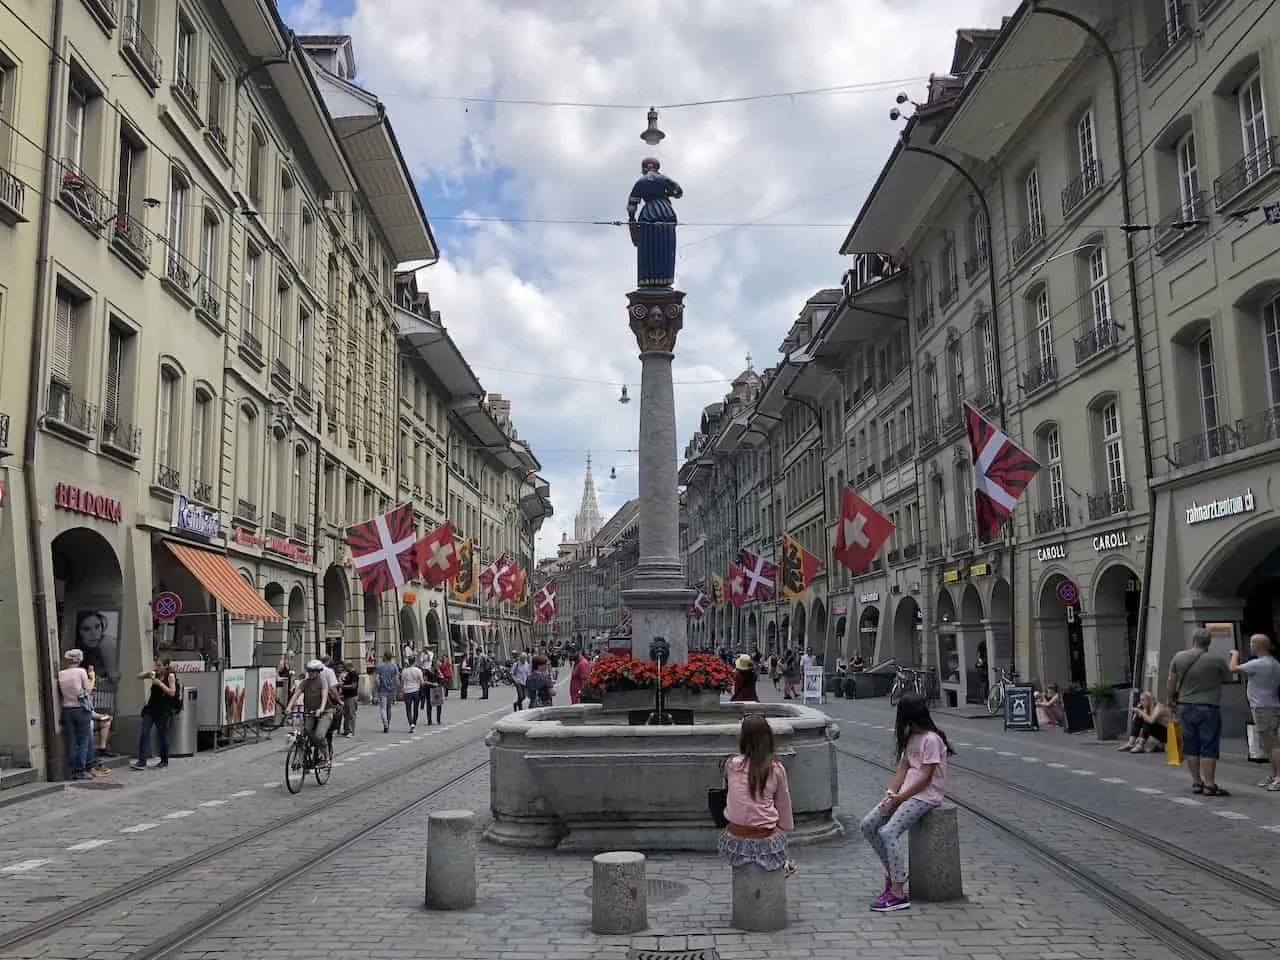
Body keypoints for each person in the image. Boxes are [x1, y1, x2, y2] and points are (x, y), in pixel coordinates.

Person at [859, 692, 954, 912]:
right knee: (868, 825)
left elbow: (925, 777)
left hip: (925, 795)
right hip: (905, 793)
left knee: (888, 832)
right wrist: (890, 795)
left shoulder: (931, 739)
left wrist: (900, 798)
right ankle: (895, 875)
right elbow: (902, 770)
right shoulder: (911, 737)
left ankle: (898, 892)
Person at [717, 715, 796, 879]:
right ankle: (784, 864)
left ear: (743, 739)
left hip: (734, 834)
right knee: (778, 838)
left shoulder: (732, 765)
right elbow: (783, 803)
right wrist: (785, 829)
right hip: (764, 834)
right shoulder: (775, 768)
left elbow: (728, 790)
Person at [1166, 628, 1232, 797]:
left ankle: (1196, 782)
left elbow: (1171, 681)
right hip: (1208, 707)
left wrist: (1170, 700)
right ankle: (1209, 785)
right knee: (1208, 745)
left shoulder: (1179, 657)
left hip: (1185, 706)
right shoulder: (1215, 660)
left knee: (1191, 745)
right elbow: (1228, 678)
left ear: (1193, 640)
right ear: (1209, 643)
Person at [1230, 633, 1280, 791]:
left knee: (1272, 744)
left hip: (1262, 707)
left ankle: (1278, 777)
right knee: (1268, 744)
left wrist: (1235, 655)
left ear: (1258, 646)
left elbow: (1233, 668)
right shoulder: (1274, 663)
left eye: (1251, 644)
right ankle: (1273, 775)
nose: (1250, 647)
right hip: (1271, 704)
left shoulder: (1258, 664)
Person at [626, 156, 683, 288]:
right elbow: (679, 192)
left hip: (649, 213)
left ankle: (649, 278)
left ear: (643, 168)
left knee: (648, 247)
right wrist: (666, 194)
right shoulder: (664, 179)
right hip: (666, 212)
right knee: (666, 246)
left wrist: (631, 220)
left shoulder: (641, 182)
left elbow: (632, 205)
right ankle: (665, 278)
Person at [130, 658, 178, 771]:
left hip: (163, 709)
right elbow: (139, 676)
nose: (157, 667)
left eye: (160, 665)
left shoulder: (170, 676)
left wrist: (160, 683)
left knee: (163, 734)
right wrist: (147, 673)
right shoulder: (155, 673)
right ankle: (142, 760)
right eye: (156, 665)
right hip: (151, 708)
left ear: (166, 666)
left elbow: (172, 692)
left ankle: (164, 760)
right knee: (144, 732)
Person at [57, 648, 93, 781]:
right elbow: (87, 690)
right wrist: (92, 677)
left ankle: (71, 769)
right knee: (83, 740)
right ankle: (80, 770)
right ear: (79, 659)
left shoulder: (61, 674)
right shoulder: (81, 672)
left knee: (71, 739)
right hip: (81, 708)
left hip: (67, 709)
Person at [285, 661, 331, 752]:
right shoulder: (305, 682)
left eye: (312, 671)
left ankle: (326, 756)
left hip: (324, 712)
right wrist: (289, 707)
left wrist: (321, 709)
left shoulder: (322, 681)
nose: (310, 673)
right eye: (309, 671)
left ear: (318, 672)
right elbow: (296, 694)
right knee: (305, 731)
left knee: (319, 735)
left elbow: (324, 696)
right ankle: (303, 758)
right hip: (309, 712)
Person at [374, 652, 399, 733]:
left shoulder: (380, 667)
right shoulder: (394, 666)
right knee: (389, 708)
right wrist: (398, 689)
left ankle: (385, 724)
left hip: (382, 690)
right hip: (391, 689)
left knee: (383, 708)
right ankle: (388, 723)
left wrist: (375, 690)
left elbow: (377, 680)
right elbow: (396, 679)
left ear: (385, 657)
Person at [400, 655, 423, 732]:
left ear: (408, 661)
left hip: (407, 691)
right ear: (414, 661)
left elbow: (402, 683)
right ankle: (414, 723)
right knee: (416, 708)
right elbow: (422, 682)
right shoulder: (418, 670)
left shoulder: (404, 671)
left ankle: (411, 724)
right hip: (416, 691)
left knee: (408, 709)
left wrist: (401, 691)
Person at [339, 661, 359, 737]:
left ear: (348, 666)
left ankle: (351, 731)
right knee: (346, 714)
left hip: (352, 696)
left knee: (351, 714)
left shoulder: (354, 674)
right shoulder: (349, 674)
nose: (344, 668)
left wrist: (343, 686)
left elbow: (353, 686)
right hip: (346, 696)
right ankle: (346, 729)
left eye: (345, 667)